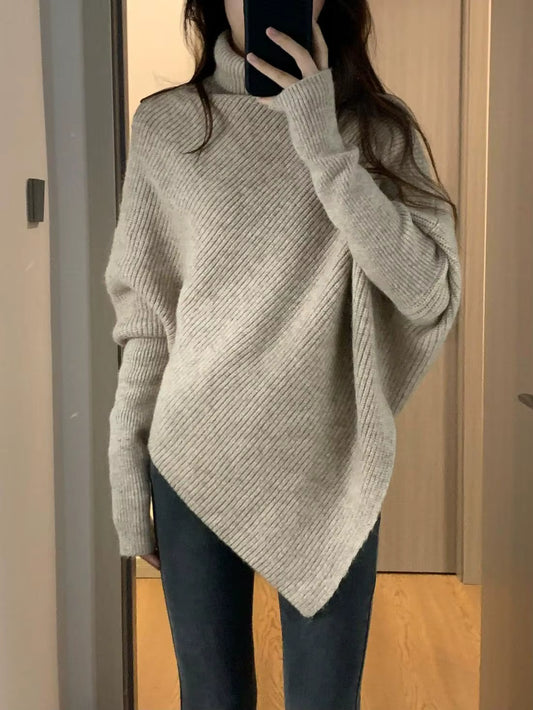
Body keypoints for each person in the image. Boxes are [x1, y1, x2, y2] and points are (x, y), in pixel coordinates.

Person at [104, 1, 462, 708]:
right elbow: (145, 317)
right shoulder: (168, 126)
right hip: (194, 455)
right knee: (212, 697)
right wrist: (125, 472)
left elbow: (427, 292)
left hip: (333, 462)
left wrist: (322, 142)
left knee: (326, 700)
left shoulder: (376, 129)